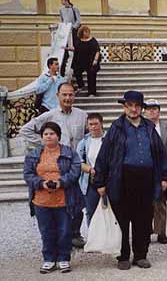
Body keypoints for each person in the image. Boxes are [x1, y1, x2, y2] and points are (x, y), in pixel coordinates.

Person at [94, 91, 167, 270]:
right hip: (122, 179)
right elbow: (104, 156)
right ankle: (123, 256)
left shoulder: (149, 128)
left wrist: (165, 177)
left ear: (141, 108)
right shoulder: (117, 127)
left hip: (146, 179)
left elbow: (161, 154)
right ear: (124, 107)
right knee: (122, 219)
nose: (133, 109)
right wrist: (100, 182)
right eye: (130, 105)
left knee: (143, 219)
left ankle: (140, 255)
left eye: (137, 106)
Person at [20, 82, 87, 248]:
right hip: (59, 164)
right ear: (57, 96)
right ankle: (59, 238)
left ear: (74, 96)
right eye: (64, 95)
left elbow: (87, 137)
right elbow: (25, 130)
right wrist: (44, 144)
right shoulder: (49, 116)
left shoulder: (82, 115)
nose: (67, 98)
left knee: (77, 201)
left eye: (71, 95)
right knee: (60, 201)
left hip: (77, 165)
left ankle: (75, 234)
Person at [23, 122, 82, 274]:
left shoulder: (69, 152)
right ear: (42, 137)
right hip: (41, 200)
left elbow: (75, 171)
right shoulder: (34, 154)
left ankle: (63, 258)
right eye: (46, 134)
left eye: (52, 133)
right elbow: (28, 174)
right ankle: (49, 259)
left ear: (58, 136)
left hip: (64, 199)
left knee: (64, 230)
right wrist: (41, 183)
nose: (49, 136)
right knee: (46, 231)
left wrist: (60, 182)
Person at [143, 99, 167, 244]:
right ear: (144, 111)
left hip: (162, 169)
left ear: (159, 111)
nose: (151, 111)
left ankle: (161, 232)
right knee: (144, 202)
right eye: (149, 109)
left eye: (154, 109)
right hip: (145, 170)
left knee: (161, 202)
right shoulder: (140, 127)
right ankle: (146, 230)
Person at [76, 113, 104, 225]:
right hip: (90, 180)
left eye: (96, 124)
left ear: (101, 124)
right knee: (91, 210)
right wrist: (89, 169)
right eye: (90, 124)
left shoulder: (109, 139)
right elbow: (78, 160)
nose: (93, 127)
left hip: (107, 179)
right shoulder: (84, 142)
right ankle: (93, 237)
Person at [73, 26, 100, 97]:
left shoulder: (93, 40)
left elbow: (97, 50)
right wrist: (67, 48)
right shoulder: (78, 41)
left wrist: (95, 60)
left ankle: (92, 92)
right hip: (81, 61)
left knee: (91, 75)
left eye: (88, 31)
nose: (87, 33)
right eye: (86, 31)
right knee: (76, 71)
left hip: (91, 61)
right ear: (82, 32)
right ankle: (81, 85)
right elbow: (75, 49)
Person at [59, 0, 81, 77]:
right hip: (65, 32)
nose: (61, 2)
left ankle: (75, 67)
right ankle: (63, 70)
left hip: (73, 32)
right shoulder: (61, 10)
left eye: (62, 0)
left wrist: (72, 28)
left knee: (75, 48)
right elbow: (62, 20)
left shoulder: (74, 9)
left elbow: (78, 21)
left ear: (66, 0)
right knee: (65, 50)